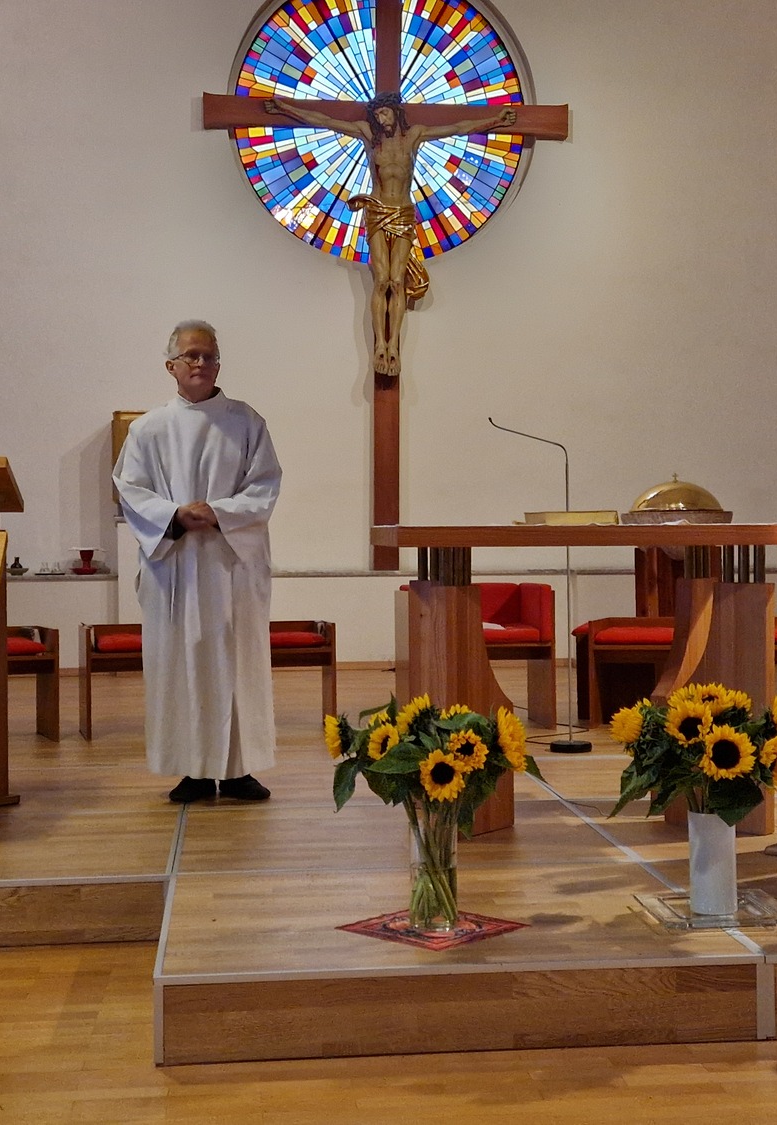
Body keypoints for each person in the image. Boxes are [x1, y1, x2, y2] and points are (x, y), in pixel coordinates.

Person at [113, 320, 282, 803]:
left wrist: (220, 512)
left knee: (236, 663)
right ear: (171, 366)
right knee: (179, 663)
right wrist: (173, 515)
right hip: (176, 566)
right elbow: (130, 490)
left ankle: (237, 770)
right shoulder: (148, 428)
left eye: (210, 356)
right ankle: (192, 770)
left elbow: (265, 484)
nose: (202, 363)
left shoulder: (246, 422)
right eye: (192, 355)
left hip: (231, 566)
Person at [265, 92, 516, 378]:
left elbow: (458, 128)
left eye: (384, 113)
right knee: (381, 280)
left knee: (397, 282)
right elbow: (324, 120)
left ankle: (393, 345)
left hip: (404, 212)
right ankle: (379, 346)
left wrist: (495, 120)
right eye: (377, 115)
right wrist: (285, 107)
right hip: (376, 211)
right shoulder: (367, 135)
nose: (381, 119)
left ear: (396, 111)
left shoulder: (414, 136)